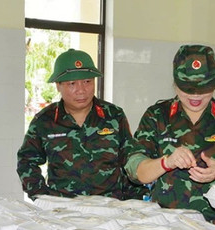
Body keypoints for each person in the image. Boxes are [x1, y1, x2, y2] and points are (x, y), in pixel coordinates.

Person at [125, 44, 215, 230]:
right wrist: (166, 162)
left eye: (204, 88)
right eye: (188, 88)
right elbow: (136, 170)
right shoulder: (157, 116)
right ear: (175, 83)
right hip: (166, 225)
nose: (196, 95)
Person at [17, 48, 142, 200]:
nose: (81, 90)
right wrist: (43, 197)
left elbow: (131, 159)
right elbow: (27, 161)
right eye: (72, 84)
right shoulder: (45, 121)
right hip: (63, 207)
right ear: (58, 85)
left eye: (87, 82)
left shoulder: (113, 116)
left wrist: (133, 200)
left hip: (109, 205)